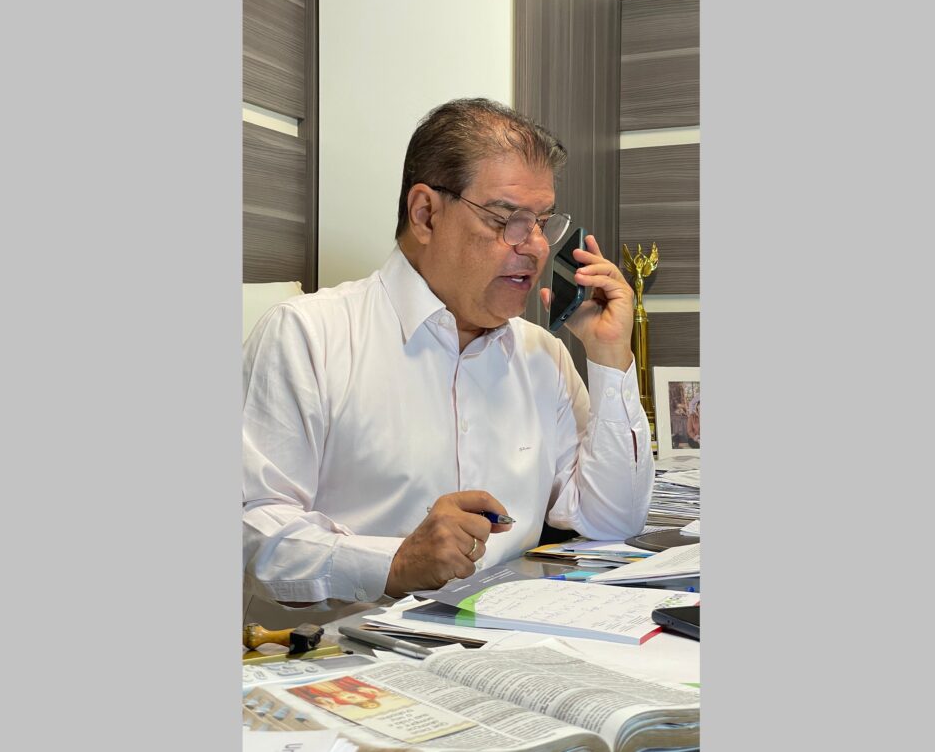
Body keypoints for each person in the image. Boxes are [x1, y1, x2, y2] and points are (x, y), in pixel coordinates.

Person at [242, 98, 654, 619]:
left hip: (511, 643)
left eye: (542, 222)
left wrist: (611, 357)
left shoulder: (543, 355)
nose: (535, 247)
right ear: (426, 214)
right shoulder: (308, 336)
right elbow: (251, 530)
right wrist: (394, 563)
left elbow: (613, 521)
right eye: (509, 219)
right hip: (344, 651)